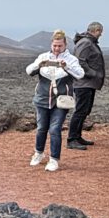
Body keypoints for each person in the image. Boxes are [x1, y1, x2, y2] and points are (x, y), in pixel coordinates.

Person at [26, 30, 84, 172]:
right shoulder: (43, 56)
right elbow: (28, 70)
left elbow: (80, 74)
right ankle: (38, 153)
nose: (57, 48)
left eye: (60, 46)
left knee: (55, 128)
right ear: (51, 44)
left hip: (61, 101)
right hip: (42, 99)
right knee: (41, 128)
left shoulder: (71, 59)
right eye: (55, 45)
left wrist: (66, 67)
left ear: (65, 45)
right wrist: (39, 64)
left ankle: (54, 159)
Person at [66, 21, 104, 150]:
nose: (101, 34)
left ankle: (77, 136)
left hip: (88, 83)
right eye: (100, 31)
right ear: (95, 30)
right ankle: (72, 139)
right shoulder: (86, 43)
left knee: (84, 111)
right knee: (80, 111)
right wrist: (93, 74)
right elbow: (80, 62)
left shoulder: (88, 42)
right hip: (83, 83)